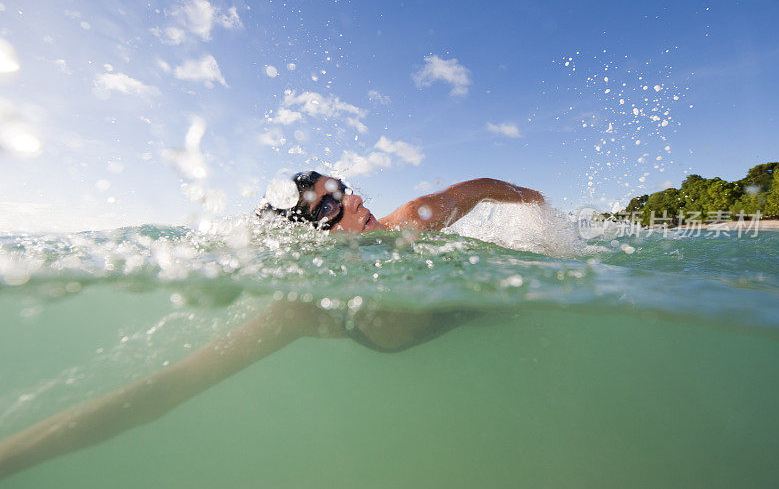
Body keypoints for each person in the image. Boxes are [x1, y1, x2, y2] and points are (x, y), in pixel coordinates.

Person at [0, 173, 545, 480]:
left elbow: (480, 187)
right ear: (311, 239)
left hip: (502, 293)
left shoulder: (414, 223)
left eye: (345, 187)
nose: (357, 199)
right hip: (441, 319)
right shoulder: (306, 308)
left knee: (519, 306)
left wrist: (542, 211)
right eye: (334, 205)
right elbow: (163, 391)